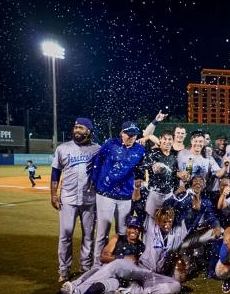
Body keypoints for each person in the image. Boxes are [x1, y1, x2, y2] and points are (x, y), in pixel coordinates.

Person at [27, 216, 146, 294]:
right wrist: (121, 258)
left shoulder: (142, 247)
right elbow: (103, 257)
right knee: (73, 285)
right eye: (131, 227)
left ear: (140, 230)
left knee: (95, 288)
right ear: (127, 228)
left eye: (136, 228)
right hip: (104, 269)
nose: (133, 230)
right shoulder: (118, 238)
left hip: (117, 280)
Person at [89, 121, 146, 267]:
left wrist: (138, 186)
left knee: (122, 233)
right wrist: (94, 181)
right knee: (102, 231)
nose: (132, 137)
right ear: (122, 133)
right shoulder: (110, 144)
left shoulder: (140, 149)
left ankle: (117, 266)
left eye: (134, 134)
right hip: (105, 193)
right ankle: (96, 265)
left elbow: (139, 169)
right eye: (129, 134)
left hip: (126, 195)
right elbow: (98, 161)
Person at [50, 117, 101, 281]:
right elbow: (55, 172)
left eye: (81, 128)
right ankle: (63, 270)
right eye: (75, 127)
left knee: (88, 235)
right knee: (65, 234)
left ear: (89, 131)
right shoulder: (63, 148)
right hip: (68, 198)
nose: (77, 130)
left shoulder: (97, 149)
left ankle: (85, 267)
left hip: (89, 199)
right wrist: (53, 194)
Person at [140, 130, 179, 219]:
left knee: (166, 220)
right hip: (154, 193)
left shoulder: (174, 156)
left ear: (173, 141)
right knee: (150, 220)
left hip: (169, 194)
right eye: (165, 139)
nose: (167, 141)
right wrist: (151, 169)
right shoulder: (153, 153)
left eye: (170, 139)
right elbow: (143, 168)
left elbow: (176, 174)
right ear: (160, 139)